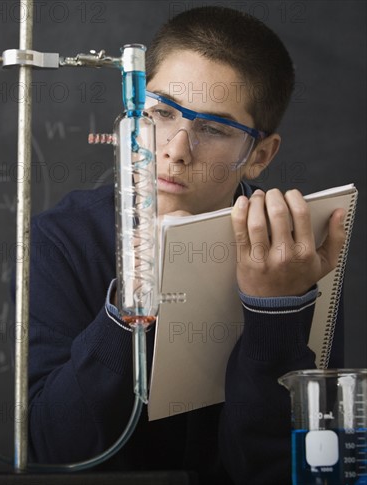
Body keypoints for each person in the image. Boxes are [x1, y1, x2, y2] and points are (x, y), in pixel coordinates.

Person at [24, 6, 347, 484]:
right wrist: (134, 292)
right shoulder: (61, 241)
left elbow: (285, 470)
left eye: (213, 128)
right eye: (161, 111)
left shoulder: (293, 252)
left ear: (258, 155)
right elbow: (58, 449)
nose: (176, 148)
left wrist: (274, 309)